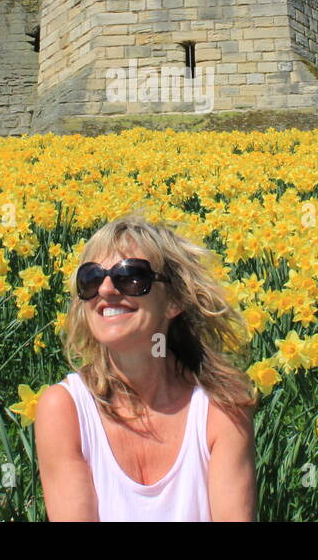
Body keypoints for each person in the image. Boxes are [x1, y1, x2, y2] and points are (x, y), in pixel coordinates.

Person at [35, 212, 257, 521]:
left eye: (131, 276)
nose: (106, 290)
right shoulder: (64, 410)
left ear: (173, 301)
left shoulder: (221, 411)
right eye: (91, 278)